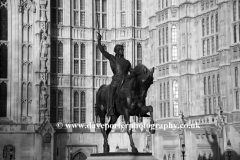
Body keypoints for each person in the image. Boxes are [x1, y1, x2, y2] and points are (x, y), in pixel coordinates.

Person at [97, 33, 133, 116]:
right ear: (117, 51)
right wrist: (99, 40)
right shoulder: (112, 58)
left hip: (125, 81)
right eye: (120, 50)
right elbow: (102, 51)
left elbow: (132, 71)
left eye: (122, 49)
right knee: (112, 89)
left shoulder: (127, 62)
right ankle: (110, 108)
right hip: (116, 80)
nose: (122, 51)